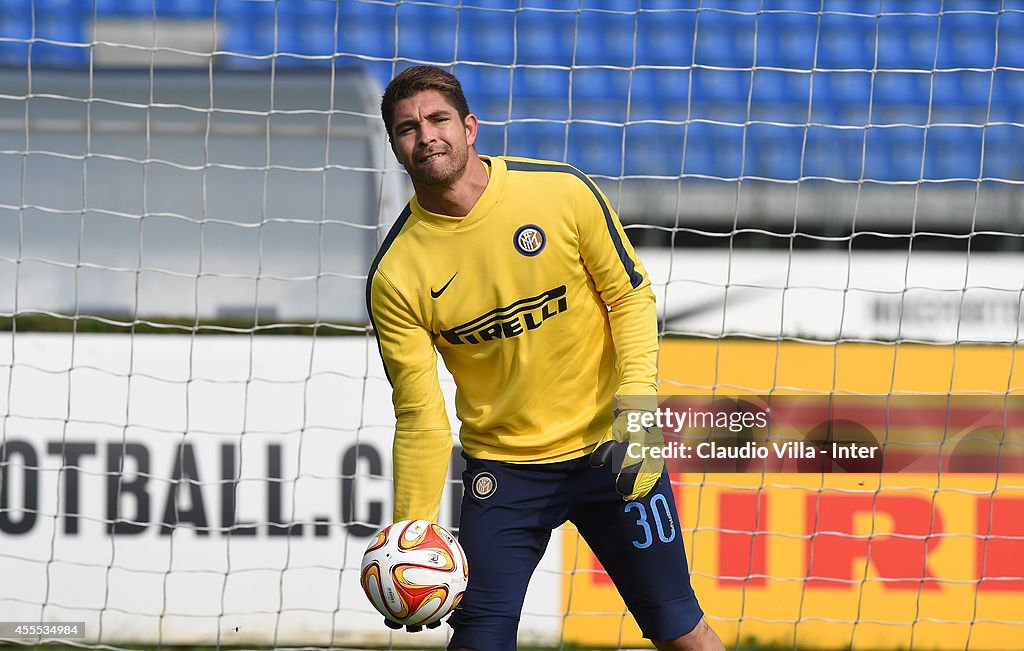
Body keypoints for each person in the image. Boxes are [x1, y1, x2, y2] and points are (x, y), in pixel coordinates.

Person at [366, 65, 725, 651]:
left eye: (438, 120)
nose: (426, 135)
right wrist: (414, 532)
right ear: (396, 147)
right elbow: (420, 414)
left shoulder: (560, 191)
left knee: (681, 631)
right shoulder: (396, 273)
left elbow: (629, 297)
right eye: (407, 128)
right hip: (505, 474)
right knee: (479, 641)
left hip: (614, 450)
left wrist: (637, 411)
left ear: (470, 127)